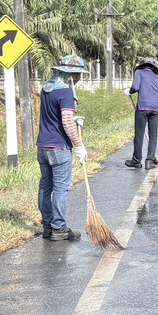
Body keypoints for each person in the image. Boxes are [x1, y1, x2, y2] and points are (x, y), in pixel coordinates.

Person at [37, 54, 89, 241]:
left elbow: (54, 116)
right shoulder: (66, 91)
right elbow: (66, 122)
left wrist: (73, 118)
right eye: (78, 75)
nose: (79, 78)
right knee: (60, 188)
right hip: (59, 148)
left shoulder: (47, 88)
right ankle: (59, 228)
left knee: (45, 186)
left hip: (43, 146)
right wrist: (79, 145)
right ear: (71, 74)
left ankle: (47, 225)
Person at [126, 56, 158, 169]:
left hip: (142, 107)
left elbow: (135, 87)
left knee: (139, 134)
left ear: (143, 65)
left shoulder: (139, 72)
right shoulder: (157, 77)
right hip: (155, 108)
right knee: (153, 135)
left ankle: (136, 160)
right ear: (153, 67)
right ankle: (150, 160)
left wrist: (129, 92)